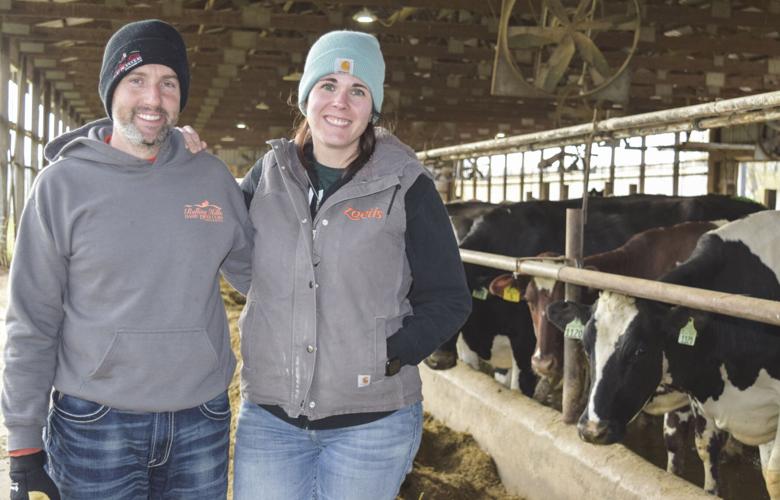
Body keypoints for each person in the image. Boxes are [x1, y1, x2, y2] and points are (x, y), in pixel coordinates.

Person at [1, 19, 251, 500]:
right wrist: (23, 443)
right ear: (111, 89)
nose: (153, 99)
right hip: (95, 422)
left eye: (168, 83)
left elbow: (263, 273)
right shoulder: (62, 186)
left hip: (201, 417)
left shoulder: (211, 178)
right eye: (137, 80)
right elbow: (31, 320)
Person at [231, 30, 471, 500]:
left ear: (373, 107)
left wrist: (387, 352)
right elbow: (229, 249)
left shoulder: (406, 184)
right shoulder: (267, 175)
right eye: (327, 86)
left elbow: (449, 298)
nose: (340, 102)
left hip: (371, 425)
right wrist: (278, 300)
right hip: (270, 421)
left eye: (358, 91)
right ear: (305, 98)